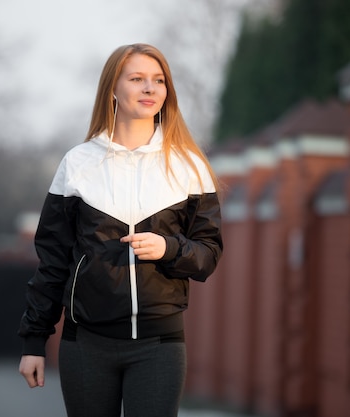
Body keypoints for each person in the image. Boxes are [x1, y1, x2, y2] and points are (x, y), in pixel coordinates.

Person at [18, 43, 223, 417]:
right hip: (86, 345)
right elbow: (52, 263)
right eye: (137, 79)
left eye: (158, 80)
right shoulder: (77, 164)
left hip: (159, 345)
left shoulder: (190, 167)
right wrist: (34, 341)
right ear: (113, 88)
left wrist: (168, 249)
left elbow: (208, 254)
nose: (150, 88)